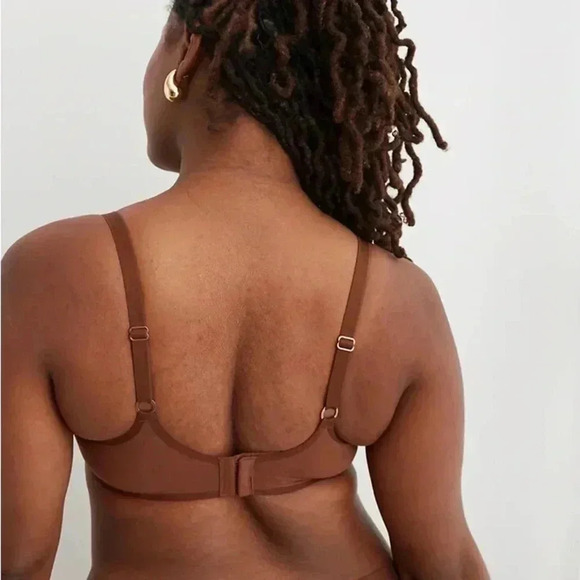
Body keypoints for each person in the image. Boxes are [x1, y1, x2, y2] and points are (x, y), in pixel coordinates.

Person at [2, 1, 489, 579]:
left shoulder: (55, 270)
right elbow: (444, 564)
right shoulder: (399, 296)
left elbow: (19, 559)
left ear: (187, 52)